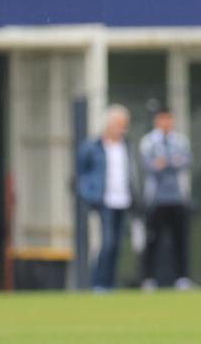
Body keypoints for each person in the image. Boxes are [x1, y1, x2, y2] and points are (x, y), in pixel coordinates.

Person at [75, 104, 136, 293]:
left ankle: (110, 283)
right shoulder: (92, 147)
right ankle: (98, 283)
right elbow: (81, 175)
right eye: (120, 125)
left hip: (123, 200)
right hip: (104, 201)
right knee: (107, 242)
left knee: (117, 245)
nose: (123, 129)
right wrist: (90, 194)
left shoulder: (127, 145)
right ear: (109, 124)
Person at [138, 109, 194, 291]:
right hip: (156, 199)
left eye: (169, 119)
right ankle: (148, 278)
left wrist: (165, 162)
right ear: (157, 121)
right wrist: (169, 162)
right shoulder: (148, 142)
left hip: (178, 199)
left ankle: (183, 278)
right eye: (163, 120)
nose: (166, 123)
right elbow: (150, 166)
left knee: (181, 240)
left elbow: (185, 162)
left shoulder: (180, 140)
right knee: (153, 240)